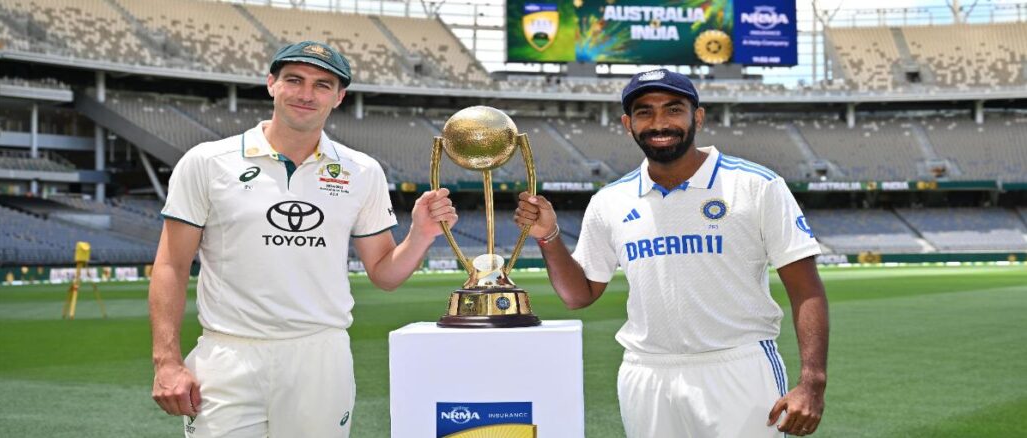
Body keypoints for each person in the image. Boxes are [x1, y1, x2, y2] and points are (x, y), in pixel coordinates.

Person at [149, 41, 457, 437]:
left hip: (319, 355)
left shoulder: (361, 171)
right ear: (271, 84)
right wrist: (167, 362)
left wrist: (419, 235)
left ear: (339, 97)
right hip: (228, 353)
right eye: (294, 80)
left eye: (322, 85)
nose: (306, 94)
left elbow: (384, 273)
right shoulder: (208, 162)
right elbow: (171, 265)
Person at [514, 69, 828, 437]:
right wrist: (548, 235)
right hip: (646, 373)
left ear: (697, 116)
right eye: (645, 112)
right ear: (628, 124)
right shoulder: (610, 201)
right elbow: (578, 295)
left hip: (737, 365)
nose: (659, 122)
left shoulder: (757, 185)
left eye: (673, 109)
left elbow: (806, 288)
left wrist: (813, 381)